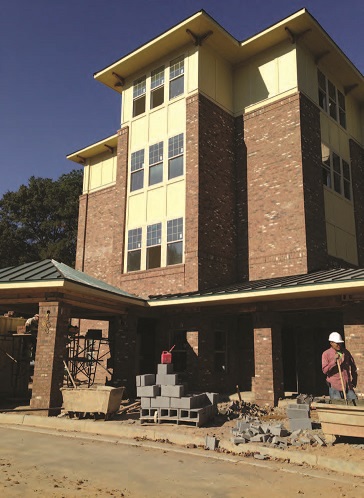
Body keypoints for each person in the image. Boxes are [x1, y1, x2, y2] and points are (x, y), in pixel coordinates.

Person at [322, 332, 358, 403]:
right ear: (331, 343)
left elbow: (353, 367)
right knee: (338, 405)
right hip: (335, 387)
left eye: (340, 343)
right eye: (337, 343)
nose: (339, 345)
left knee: (355, 403)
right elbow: (325, 370)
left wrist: (354, 380)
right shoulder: (326, 354)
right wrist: (334, 361)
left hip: (347, 386)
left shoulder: (346, 352)